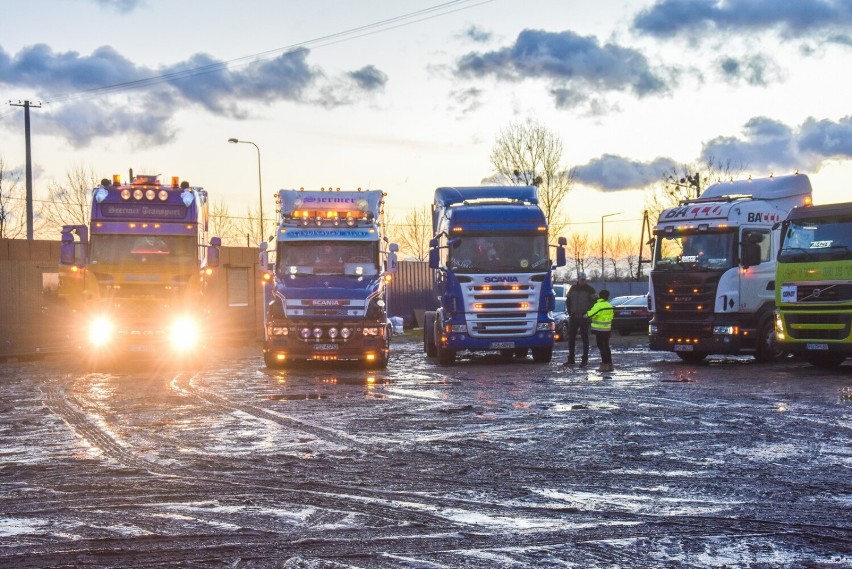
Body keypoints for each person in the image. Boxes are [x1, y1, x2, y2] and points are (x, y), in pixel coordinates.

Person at [564, 272, 596, 367]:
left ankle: (584, 360)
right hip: (573, 317)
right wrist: (570, 312)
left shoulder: (590, 290)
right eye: (581, 279)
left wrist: (588, 314)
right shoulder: (572, 288)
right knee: (571, 338)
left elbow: (595, 302)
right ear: (577, 279)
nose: (583, 281)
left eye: (584, 279)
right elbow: (568, 301)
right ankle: (571, 359)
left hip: (584, 317)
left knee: (585, 338)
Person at [587, 289, 615, 372]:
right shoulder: (609, 305)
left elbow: (591, 314)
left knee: (601, 347)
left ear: (600, 296)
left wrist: (585, 315)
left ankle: (604, 365)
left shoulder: (598, 305)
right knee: (606, 346)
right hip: (607, 329)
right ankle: (610, 364)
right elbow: (611, 317)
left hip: (599, 330)